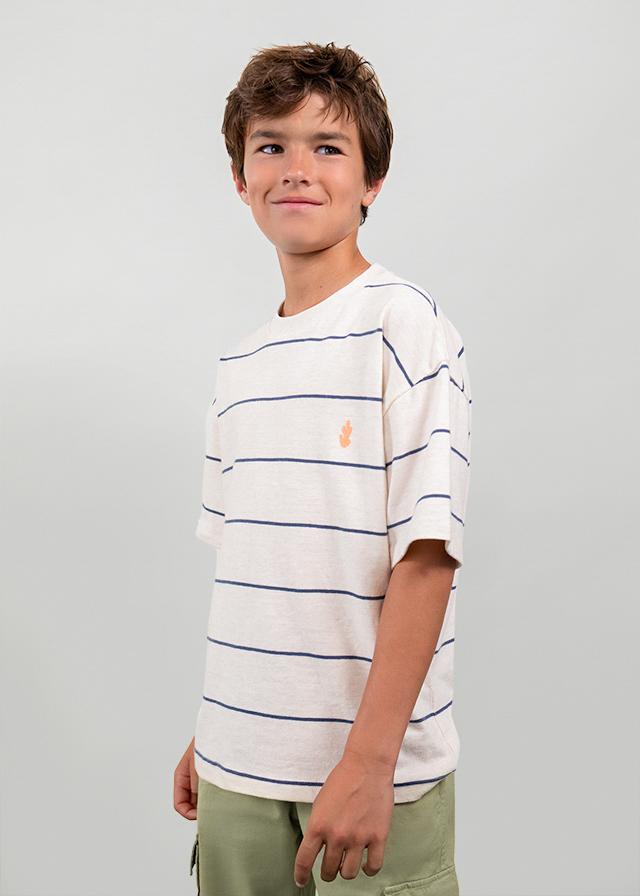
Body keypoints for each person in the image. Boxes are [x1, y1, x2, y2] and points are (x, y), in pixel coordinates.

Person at [173, 40, 472, 896]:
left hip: (369, 776)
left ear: (372, 180)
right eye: (270, 146)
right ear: (241, 179)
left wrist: (371, 763)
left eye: (328, 147)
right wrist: (218, 730)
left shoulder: (404, 328)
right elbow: (258, 575)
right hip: (237, 767)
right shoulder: (240, 365)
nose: (296, 169)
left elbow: (427, 560)